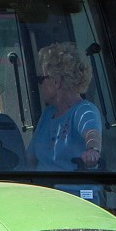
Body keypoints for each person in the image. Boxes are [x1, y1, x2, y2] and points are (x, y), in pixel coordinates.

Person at [29, 42, 102, 171]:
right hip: (42, 189)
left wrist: (93, 151)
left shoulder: (84, 110)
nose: (40, 85)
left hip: (71, 190)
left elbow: (92, 133)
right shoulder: (47, 114)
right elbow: (29, 158)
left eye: (41, 79)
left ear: (56, 82)